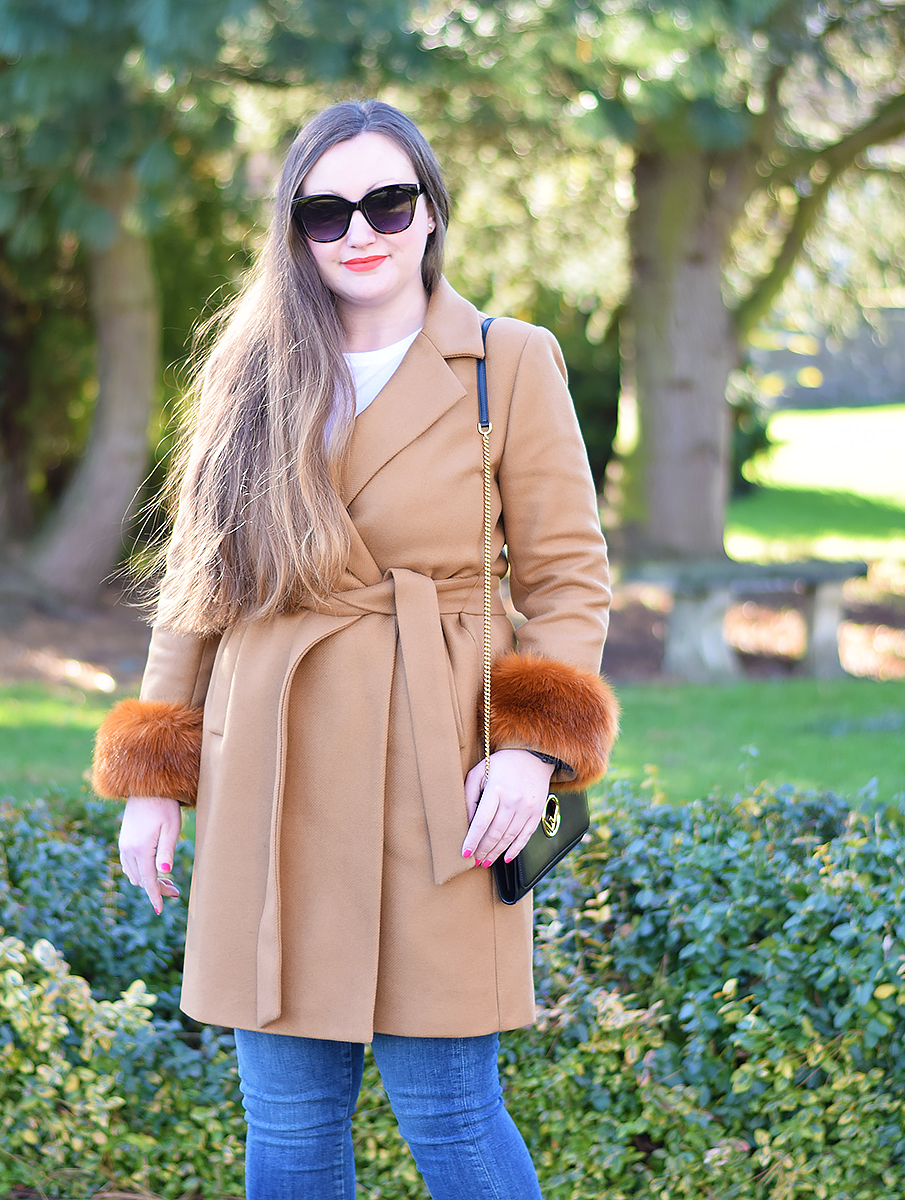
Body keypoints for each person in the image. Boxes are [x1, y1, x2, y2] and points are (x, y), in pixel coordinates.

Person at [92, 98, 617, 1200]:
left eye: (387, 201)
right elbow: (198, 584)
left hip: (442, 767)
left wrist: (531, 751)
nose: (360, 231)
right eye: (326, 212)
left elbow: (568, 579)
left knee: (451, 1114)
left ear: (431, 212)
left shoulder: (507, 363)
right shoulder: (251, 369)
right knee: (285, 1123)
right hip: (267, 763)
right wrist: (154, 779)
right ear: (295, 232)